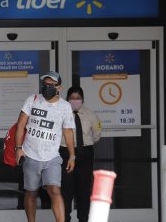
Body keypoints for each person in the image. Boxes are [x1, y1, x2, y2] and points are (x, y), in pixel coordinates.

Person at [15, 71, 76, 222]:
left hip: (52, 157)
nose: (47, 87)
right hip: (30, 154)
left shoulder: (65, 106)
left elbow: (67, 132)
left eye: (51, 85)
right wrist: (18, 148)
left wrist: (72, 156)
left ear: (59, 87)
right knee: (31, 192)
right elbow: (21, 124)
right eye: (45, 84)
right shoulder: (33, 100)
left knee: (55, 190)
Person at [60, 86, 102, 222]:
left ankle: (83, 218)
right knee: (66, 189)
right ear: (67, 99)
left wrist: (84, 146)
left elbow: (97, 134)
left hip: (85, 153)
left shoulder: (91, 115)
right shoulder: (61, 114)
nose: (75, 100)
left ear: (82, 99)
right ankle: (65, 218)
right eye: (72, 98)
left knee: (83, 189)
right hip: (66, 153)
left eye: (78, 98)